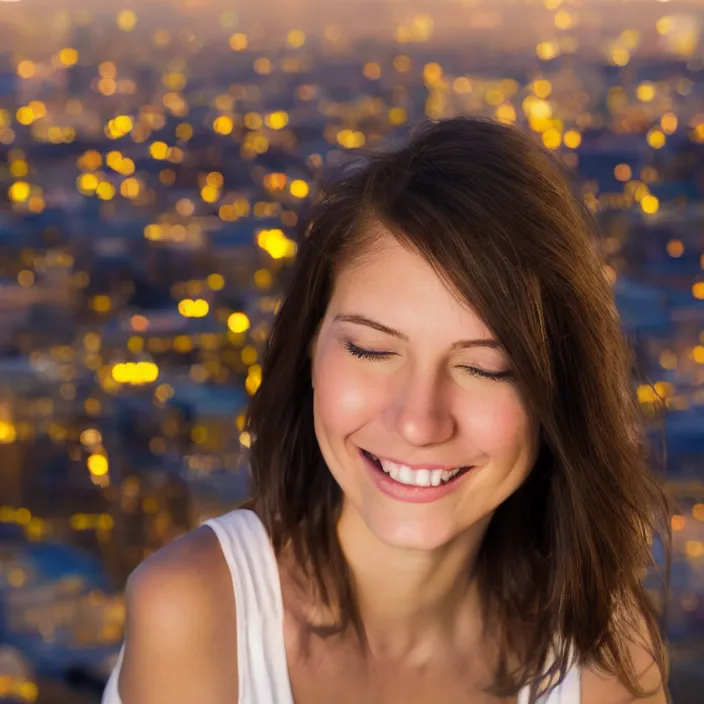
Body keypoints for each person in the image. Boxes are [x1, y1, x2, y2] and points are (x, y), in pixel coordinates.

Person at [103, 117, 672, 703]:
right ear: (307, 351)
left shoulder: (604, 657)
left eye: (485, 368)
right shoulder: (197, 617)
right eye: (371, 350)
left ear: (559, 391)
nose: (418, 422)